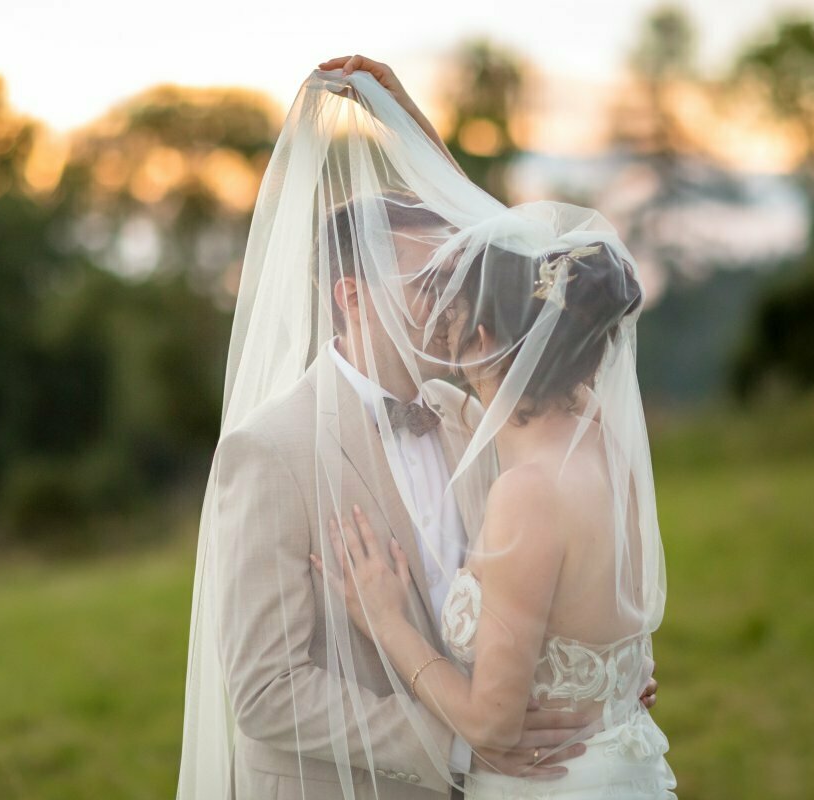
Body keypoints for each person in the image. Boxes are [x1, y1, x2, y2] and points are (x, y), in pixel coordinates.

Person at [176, 57, 660, 800]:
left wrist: (595, 677)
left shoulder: (482, 419)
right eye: (427, 278)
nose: (454, 296)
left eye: (455, 273)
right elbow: (266, 691)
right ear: (352, 295)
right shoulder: (268, 452)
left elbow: (512, 248)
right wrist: (466, 749)